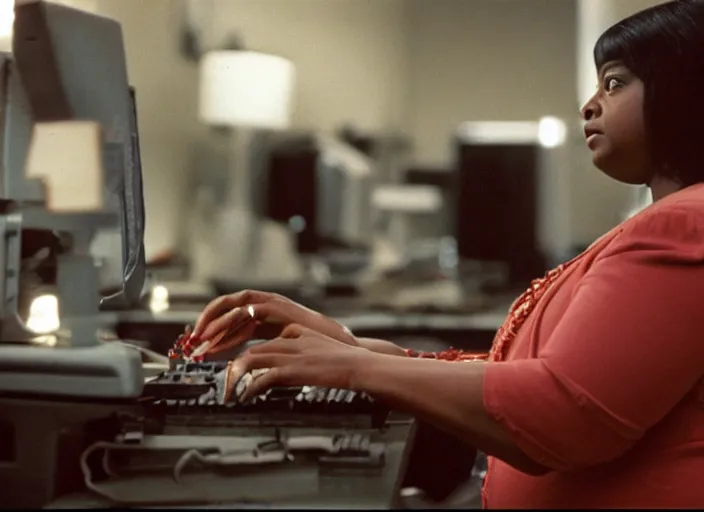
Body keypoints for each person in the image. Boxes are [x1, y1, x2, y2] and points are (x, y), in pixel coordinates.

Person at [190, 1, 704, 508]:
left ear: (682, 94)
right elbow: (529, 373)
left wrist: (354, 369)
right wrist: (350, 348)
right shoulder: (671, 220)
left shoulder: (681, 225)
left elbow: (562, 413)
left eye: (613, 84)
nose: (589, 106)